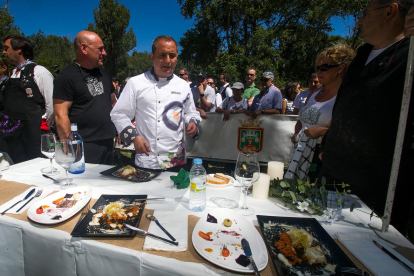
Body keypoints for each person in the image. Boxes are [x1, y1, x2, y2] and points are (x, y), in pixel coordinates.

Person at [319, 0, 414, 234]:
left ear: (390, 11)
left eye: (364, 13)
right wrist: (328, 143)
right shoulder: (361, 55)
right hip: (334, 176)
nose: (358, 21)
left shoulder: (409, 54)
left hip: (376, 191)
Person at [110, 35, 201, 170]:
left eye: (172, 55)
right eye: (162, 55)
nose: (168, 60)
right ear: (152, 57)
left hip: (176, 160)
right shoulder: (136, 83)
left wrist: (193, 122)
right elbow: (118, 114)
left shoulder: (183, 86)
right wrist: (133, 137)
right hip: (147, 159)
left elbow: (190, 112)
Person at [285, 44, 355, 183]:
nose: (319, 72)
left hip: (324, 156)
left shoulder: (347, 96)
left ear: (340, 68)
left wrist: (323, 131)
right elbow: (301, 119)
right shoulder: (314, 93)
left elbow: (350, 131)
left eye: (324, 68)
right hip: (301, 150)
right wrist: (296, 132)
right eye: (317, 68)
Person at [53, 31, 116, 165]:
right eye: (100, 49)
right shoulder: (66, 77)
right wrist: (70, 148)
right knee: (85, 185)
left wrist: (120, 129)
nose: (104, 53)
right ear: (84, 48)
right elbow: (60, 115)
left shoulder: (105, 74)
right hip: (83, 144)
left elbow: (113, 103)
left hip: (108, 141)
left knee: (108, 184)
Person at [0, 35, 54, 163]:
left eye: (6, 48)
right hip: (14, 137)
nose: (4, 52)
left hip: (33, 136)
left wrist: (41, 127)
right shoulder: (13, 74)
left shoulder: (39, 72)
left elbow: (51, 106)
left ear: (19, 50)